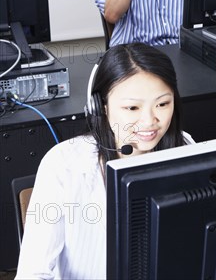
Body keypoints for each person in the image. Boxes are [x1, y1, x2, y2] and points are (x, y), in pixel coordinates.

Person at [16, 43, 195, 278]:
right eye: (132, 107)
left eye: (162, 104)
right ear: (101, 108)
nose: (150, 121)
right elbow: (32, 274)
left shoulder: (185, 148)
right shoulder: (63, 166)